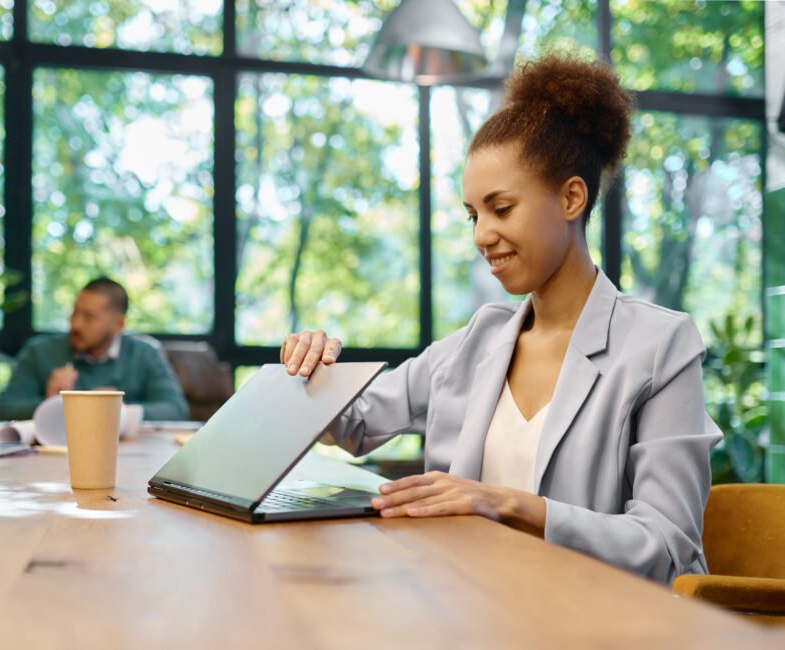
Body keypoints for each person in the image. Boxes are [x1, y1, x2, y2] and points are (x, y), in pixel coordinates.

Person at [280, 55, 721, 585]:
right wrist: (312, 366)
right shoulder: (480, 339)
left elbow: (667, 545)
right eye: (473, 214)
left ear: (571, 197)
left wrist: (505, 504)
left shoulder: (660, 345)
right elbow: (352, 424)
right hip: (470, 604)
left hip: (597, 623)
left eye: (501, 208)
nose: (481, 235)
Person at [0, 276, 188, 422]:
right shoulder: (40, 352)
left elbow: (176, 410)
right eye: (74, 312)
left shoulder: (145, 353)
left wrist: (117, 410)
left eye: (89, 317)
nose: (76, 324)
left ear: (118, 324)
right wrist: (52, 405)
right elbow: (0, 411)